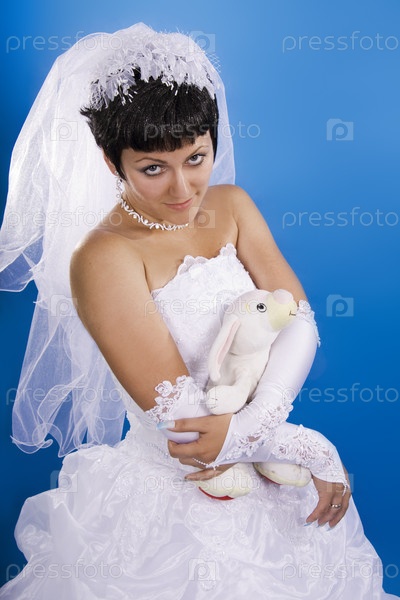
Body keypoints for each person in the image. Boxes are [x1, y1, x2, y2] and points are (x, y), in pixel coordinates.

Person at [0, 23, 397, 599]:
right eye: (152, 168)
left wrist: (269, 421)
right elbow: (187, 426)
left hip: (271, 459)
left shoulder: (232, 207)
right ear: (112, 163)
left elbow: (297, 319)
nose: (183, 188)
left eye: (196, 157)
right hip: (182, 486)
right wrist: (311, 448)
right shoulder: (104, 257)